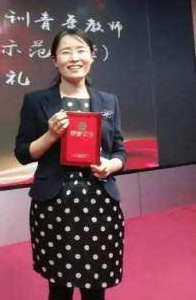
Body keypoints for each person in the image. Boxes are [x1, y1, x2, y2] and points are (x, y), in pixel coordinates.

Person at [14, 29, 127, 300]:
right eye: (65, 52)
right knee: (59, 286)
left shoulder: (108, 101)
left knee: (96, 283)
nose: (74, 58)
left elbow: (120, 151)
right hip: (54, 204)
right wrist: (50, 135)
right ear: (55, 60)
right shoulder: (36, 100)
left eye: (80, 51)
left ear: (92, 56)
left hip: (100, 201)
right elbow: (22, 153)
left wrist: (111, 165)